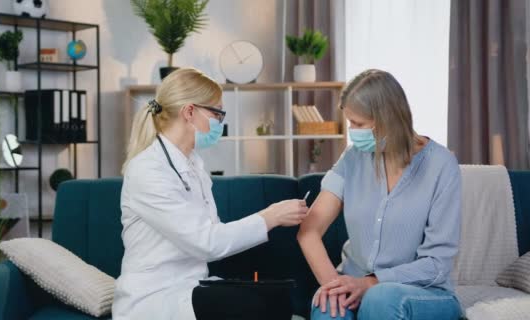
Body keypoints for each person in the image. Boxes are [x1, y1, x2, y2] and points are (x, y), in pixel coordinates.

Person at [112, 67, 308, 320]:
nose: (221, 121)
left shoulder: (193, 164)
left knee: (276, 300)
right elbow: (207, 243)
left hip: (191, 286)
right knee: (261, 307)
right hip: (154, 297)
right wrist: (270, 216)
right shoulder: (148, 170)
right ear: (189, 111)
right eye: (217, 112)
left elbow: (211, 234)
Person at [297, 69, 463, 320]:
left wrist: (370, 284)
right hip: (355, 283)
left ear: (388, 119)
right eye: (350, 122)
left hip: (422, 292)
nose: (352, 131)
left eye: (359, 124)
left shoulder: (441, 166)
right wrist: (336, 287)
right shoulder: (352, 159)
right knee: (328, 310)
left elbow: (437, 265)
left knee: (380, 299)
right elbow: (309, 231)